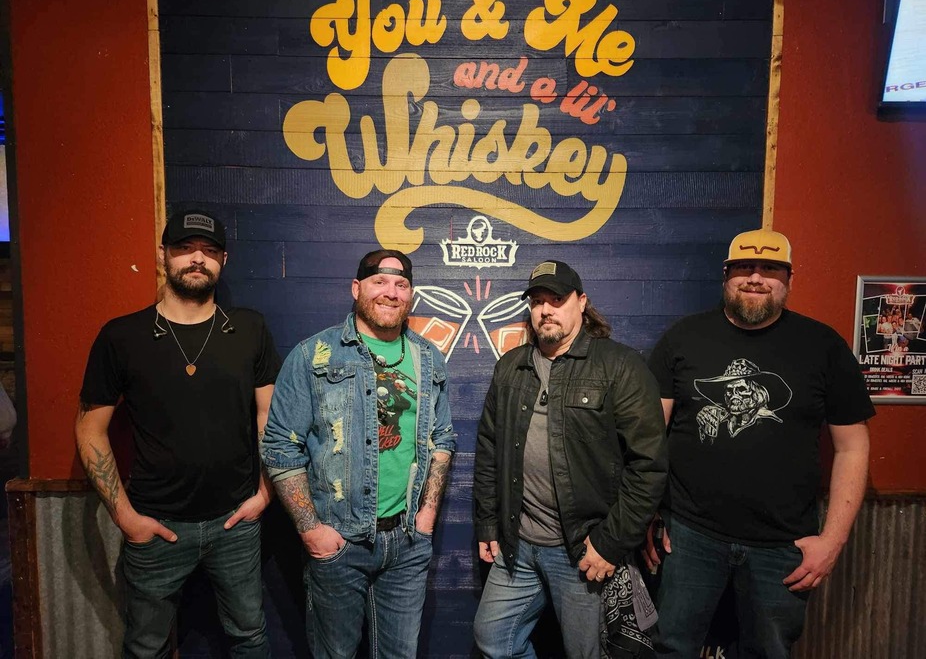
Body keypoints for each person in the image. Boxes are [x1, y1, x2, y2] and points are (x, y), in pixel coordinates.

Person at [644, 229, 874, 659]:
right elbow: (649, 436)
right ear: (726, 276)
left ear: (789, 279)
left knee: (769, 652)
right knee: (670, 647)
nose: (755, 277)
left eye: (770, 269)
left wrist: (833, 541)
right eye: (744, 268)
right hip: (689, 536)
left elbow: (853, 448)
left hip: (783, 545)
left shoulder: (823, 346)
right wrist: (647, 513)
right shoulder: (683, 338)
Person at [75, 209, 281, 658]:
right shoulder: (122, 336)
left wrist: (264, 494)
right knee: (145, 646)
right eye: (185, 248)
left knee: (250, 637)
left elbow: (270, 418)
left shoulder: (249, 328)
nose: (197, 259)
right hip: (155, 524)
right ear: (163, 255)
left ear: (223, 260)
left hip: (236, 523)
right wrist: (126, 518)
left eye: (208, 250)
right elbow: (90, 429)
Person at [260, 249, 455, 659]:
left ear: (411, 294)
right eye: (379, 281)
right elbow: (280, 446)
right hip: (338, 543)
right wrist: (311, 530)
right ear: (356, 288)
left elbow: (441, 439)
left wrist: (426, 517)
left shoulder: (428, 357)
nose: (391, 292)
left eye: (401, 284)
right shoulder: (314, 355)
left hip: (406, 543)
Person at [473, 260, 668, 658]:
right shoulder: (511, 367)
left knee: (586, 653)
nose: (545, 310)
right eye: (537, 302)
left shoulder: (619, 366)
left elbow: (648, 465)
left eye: (557, 299)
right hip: (518, 544)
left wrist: (610, 543)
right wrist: (488, 522)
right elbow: (489, 448)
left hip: (582, 549)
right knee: (492, 638)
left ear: (581, 302)